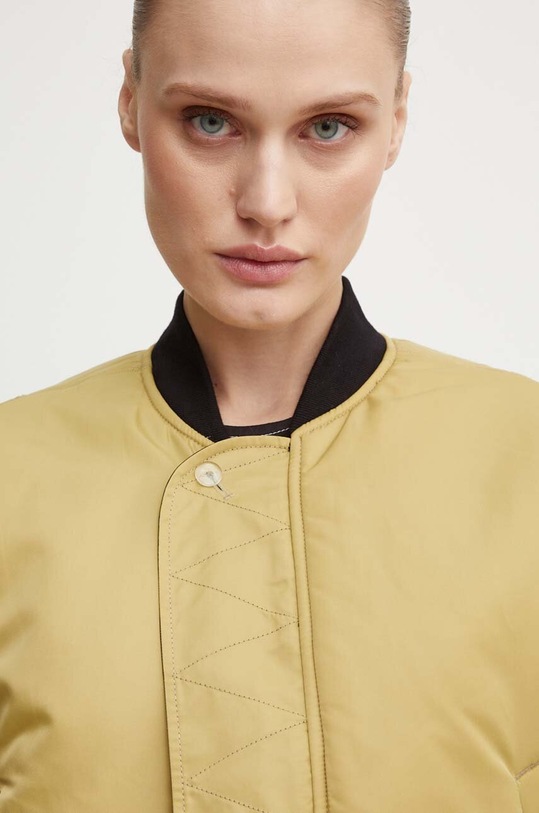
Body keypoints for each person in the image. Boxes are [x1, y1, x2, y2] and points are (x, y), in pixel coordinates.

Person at [0, 0, 538, 811]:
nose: (266, 201)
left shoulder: (524, 457)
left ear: (395, 122)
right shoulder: (12, 474)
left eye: (327, 128)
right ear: (130, 101)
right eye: (210, 121)